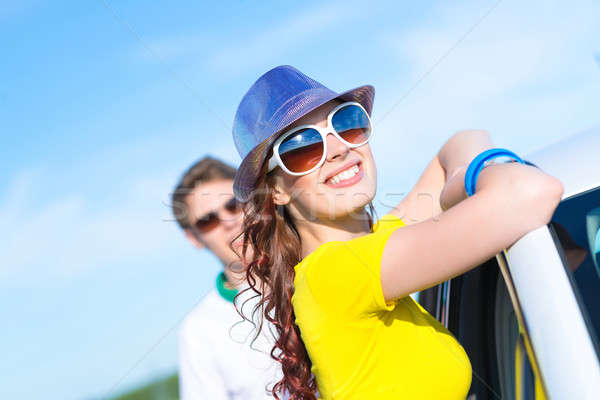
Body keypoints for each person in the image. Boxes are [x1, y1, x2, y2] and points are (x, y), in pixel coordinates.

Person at [230, 65, 564, 399]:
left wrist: (461, 177)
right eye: (301, 148)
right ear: (276, 192)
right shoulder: (334, 275)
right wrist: (476, 177)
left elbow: (462, 141)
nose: (338, 149)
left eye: (346, 123)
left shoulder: (373, 250)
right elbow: (532, 193)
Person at [171, 156, 284, 400]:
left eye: (233, 204)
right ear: (193, 238)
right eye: (207, 220)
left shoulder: (313, 263)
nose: (228, 221)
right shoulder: (199, 331)